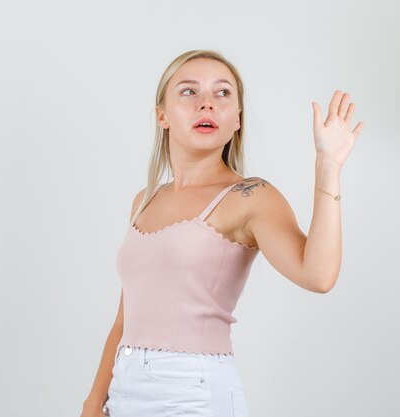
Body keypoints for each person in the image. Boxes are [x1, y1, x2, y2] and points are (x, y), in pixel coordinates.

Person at [80, 49, 364, 417]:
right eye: (189, 92)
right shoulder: (144, 200)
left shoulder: (251, 196)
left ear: (237, 120)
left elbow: (318, 275)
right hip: (124, 390)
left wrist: (328, 166)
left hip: (193, 393)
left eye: (222, 93)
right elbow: (124, 320)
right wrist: (93, 401)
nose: (207, 105)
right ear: (162, 116)